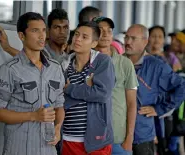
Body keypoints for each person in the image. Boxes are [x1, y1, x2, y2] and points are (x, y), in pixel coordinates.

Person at [0, 12, 65, 155]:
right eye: (35, 31)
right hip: (19, 149)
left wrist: (58, 127)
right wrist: (33, 116)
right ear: (22, 36)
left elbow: (59, 105)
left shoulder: (55, 68)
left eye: (43, 30)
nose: (42, 36)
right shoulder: (9, 70)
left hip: (48, 149)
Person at [124, 24, 185, 155]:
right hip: (117, 135)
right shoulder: (118, 62)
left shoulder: (156, 66)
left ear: (145, 41)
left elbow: (182, 87)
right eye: (126, 37)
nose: (128, 42)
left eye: (133, 38)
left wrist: (159, 109)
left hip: (141, 135)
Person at [61, 21, 116, 155]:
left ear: (94, 43)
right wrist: (88, 90)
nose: (78, 39)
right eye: (76, 35)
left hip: (96, 141)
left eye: (84, 37)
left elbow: (102, 94)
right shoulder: (64, 65)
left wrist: (69, 89)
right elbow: (59, 99)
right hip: (68, 138)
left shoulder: (102, 61)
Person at [92, 16, 138, 155]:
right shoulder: (83, 61)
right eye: (100, 30)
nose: (106, 34)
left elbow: (131, 103)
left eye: (109, 30)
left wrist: (129, 138)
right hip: (90, 139)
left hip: (118, 139)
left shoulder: (125, 64)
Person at [0, 8, 70, 71]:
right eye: (57, 27)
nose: (62, 32)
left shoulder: (68, 58)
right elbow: (31, 59)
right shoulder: (40, 50)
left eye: (65, 28)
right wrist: (8, 48)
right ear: (48, 30)